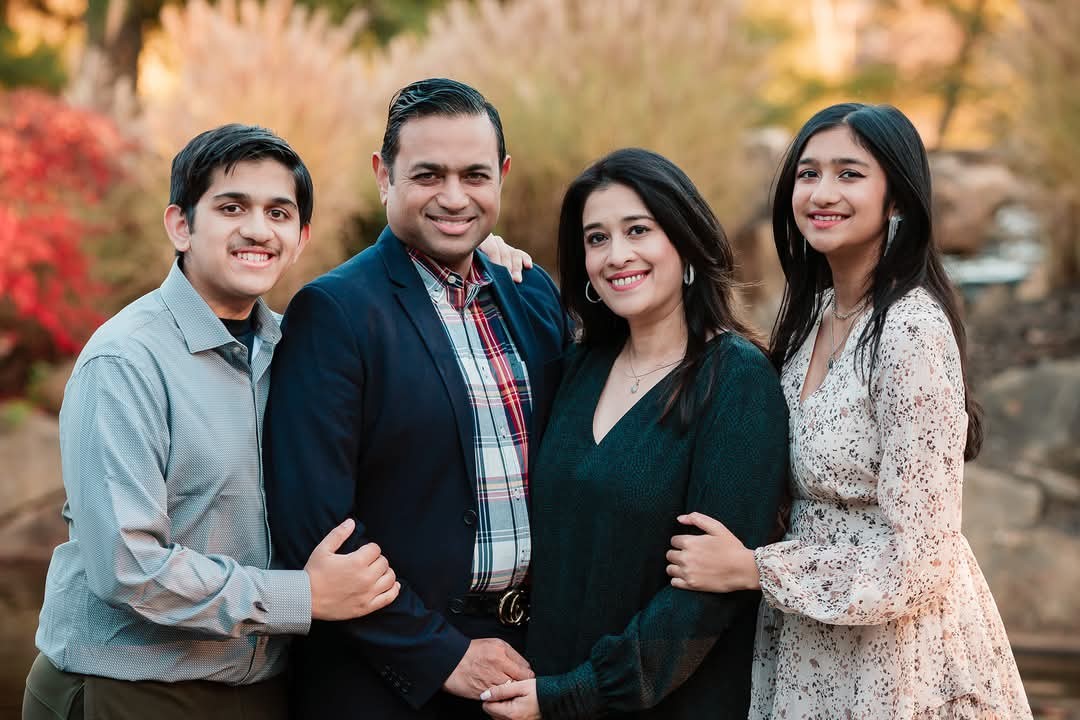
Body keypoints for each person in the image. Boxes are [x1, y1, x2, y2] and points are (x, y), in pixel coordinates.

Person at [23, 124, 403, 720]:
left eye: (279, 212)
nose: (257, 229)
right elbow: (128, 567)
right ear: (181, 225)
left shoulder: (298, 352)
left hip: (261, 691)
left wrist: (486, 255)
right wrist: (301, 597)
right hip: (126, 689)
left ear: (300, 238)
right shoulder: (124, 361)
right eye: (232, 207)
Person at [664, 103, 1033, 718]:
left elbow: (920, 559)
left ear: (897, 200)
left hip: (894, 656)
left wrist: (756, 570)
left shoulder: (910, 329)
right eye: (808, 174)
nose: (821, 192)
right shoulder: (814, 317)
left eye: (849, 174)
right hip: (810, 640)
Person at [262, 78, 571, 719]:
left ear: (503, 176)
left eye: (475, 175)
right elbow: (316, 529)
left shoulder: (532, 293)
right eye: (428, 174)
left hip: (529, 668)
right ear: (384, 174)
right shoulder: (335, 313)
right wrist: (441, 655)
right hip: (392, 681)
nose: (454, 197)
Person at [479, 148, 789, 720]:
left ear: (685, 242)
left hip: (657, 702)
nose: (616, 255)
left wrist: (574, 693)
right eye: (596, 238)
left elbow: (704, 602)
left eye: (638, 230)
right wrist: (486, 257)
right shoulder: (578, 365)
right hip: (541, 689)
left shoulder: (737, 381)